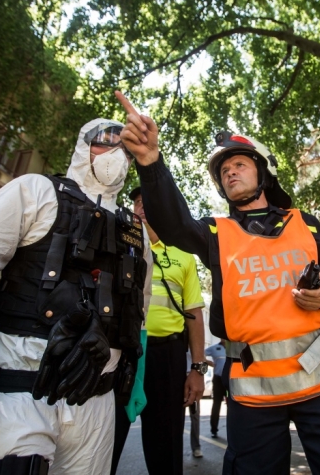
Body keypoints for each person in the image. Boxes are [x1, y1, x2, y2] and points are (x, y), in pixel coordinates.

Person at [116, 91, 320, 475]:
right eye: (224, 172)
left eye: (239, 164)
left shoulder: (304, 223)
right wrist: (151, 163)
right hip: (254, 392)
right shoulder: (215, 233)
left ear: (263, 172)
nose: (230, 172)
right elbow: (172, 223)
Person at [0, 119, 152, 475]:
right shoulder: (34, 191)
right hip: (19, 391)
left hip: (97, 402)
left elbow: (138, 311)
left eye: (125, 148)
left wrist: (136, 378)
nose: (116, 154)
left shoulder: (136, 233)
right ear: (84, 145)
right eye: (105, 142)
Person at [111, 187, 206, 475]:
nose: (141, 206)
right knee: (106, 438)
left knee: (166, 443)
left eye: (148, 200)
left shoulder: (184, 256)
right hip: (119, 353)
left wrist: (197, 369)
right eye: (137, 202)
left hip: (167, 356)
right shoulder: (115, 247)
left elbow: (194, 315)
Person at [204, 341, 227, 438]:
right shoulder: (214, 348)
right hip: (218, 380)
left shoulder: (235, 347)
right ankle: (214, 429)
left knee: (232, 405)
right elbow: (200, 354)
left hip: (230, 380)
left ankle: (234, 429)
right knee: (216, 404)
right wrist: (208, 362)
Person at [187, 350, 203, 459]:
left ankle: (196, 447)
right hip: (177, 378)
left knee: (195, 416)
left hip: (192, 379)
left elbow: (202, 360)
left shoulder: (195, 346)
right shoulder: (178, 341)